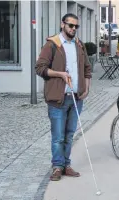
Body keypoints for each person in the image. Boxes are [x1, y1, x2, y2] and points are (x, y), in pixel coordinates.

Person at [35, 13, 92, 180]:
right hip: (57, 98)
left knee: (69, 134)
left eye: (76, 26)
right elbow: (39, 68)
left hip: (76, 97)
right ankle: (57, 166)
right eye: (70, 25)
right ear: (62, 25)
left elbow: (87, 69)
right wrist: (59, 74)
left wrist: (86, 88)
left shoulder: (79, 45)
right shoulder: (53, 44)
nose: (73, 29)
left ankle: (66, 164)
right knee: (58, 136)